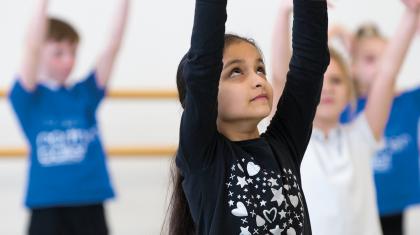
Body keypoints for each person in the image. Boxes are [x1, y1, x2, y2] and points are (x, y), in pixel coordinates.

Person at [166, 0, 329, 234]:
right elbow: (202, 69)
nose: (258, 80)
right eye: (236, 72)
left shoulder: (285, 144)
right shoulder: (204, 158)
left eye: (260, 69)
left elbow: (309, 67)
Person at [271, 0, 420, 234]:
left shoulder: (361, 135)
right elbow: (281, 78)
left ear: (350, 90)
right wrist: (283, 13)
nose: (328, 88)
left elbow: (387, 74)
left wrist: (412, 15)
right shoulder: (293, 142)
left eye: (337, 81)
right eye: (321, 81)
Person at [8, 0, 129, 234]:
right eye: (58, 53)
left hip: (90, 201)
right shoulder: (28, 98)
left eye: (73, 52)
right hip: (47, 206)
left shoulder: (85, 93)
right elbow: (32, 45)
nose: (69, 60)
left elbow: (113, 45)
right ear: (40, 53)